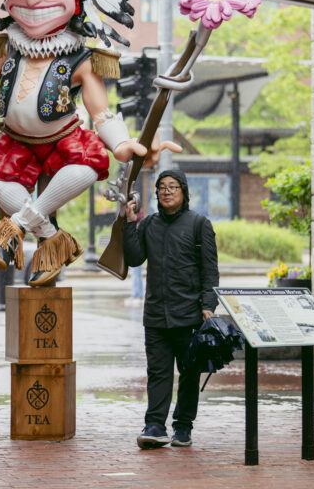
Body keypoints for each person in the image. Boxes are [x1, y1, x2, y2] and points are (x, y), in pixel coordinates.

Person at [123, 169, 219, 449]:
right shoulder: (149, 224)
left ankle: (183, 425)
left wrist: (208, 305)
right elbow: (135, 259)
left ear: (184, 192)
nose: (166, 191)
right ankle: (155, 425)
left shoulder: (199, 224)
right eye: (162, 187)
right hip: (155, 314)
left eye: (172, 186)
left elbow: (210, 270)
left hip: (189, 314)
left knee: (189, 373)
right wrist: (130, 224)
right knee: (158, 372)